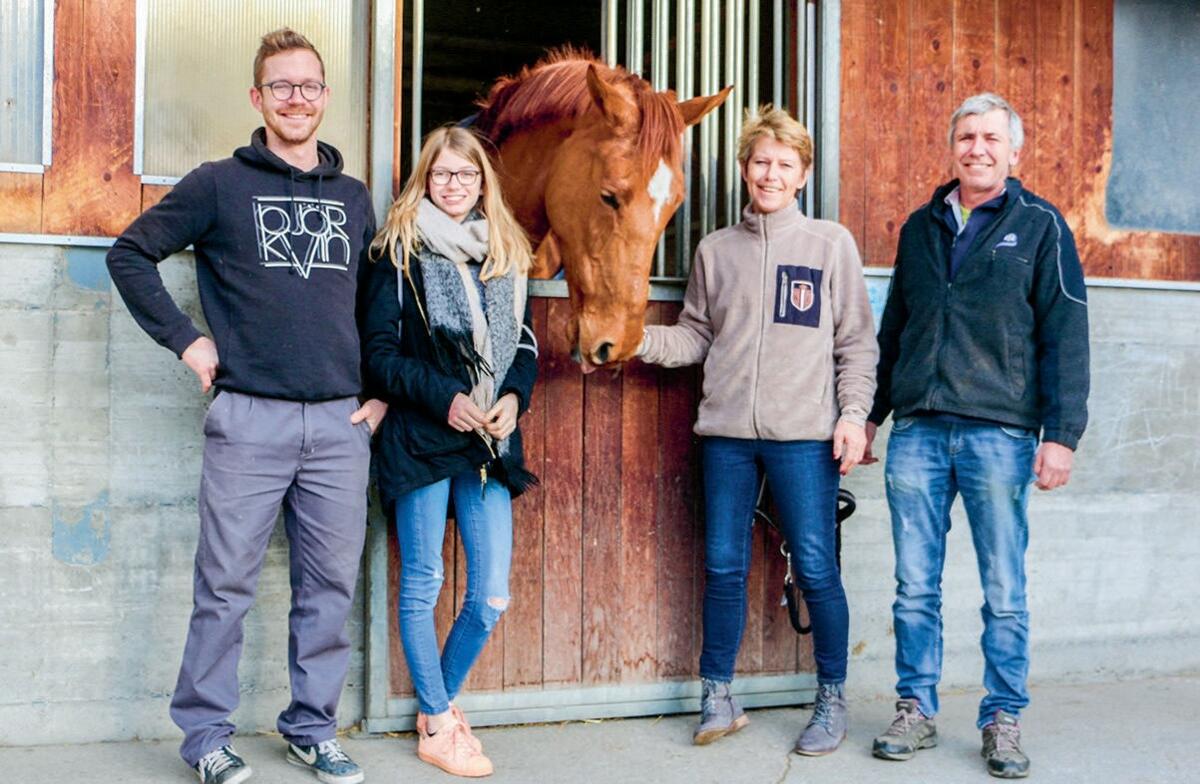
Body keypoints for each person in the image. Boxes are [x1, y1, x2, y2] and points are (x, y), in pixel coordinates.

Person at [106, 28, 380, 784]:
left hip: (336, 424)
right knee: (224, 586)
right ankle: (204, 739)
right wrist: (189, 343)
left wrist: (380, 391)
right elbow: (129, 254)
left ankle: (311, 728)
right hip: (249, 418)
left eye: (310, 86)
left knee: (328, 586)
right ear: (258, 99)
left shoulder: (355, 199)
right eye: (282, 86)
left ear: (326, 99)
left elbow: (379, 303)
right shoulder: (218, 183)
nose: (298, 98)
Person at [637, 106, 878, 756]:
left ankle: (832, 697)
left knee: (817, 567)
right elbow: (695, 335)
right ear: (744, 169)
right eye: (759, 161)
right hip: (727, 439)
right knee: (722, 566)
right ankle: (717, 693)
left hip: (805, 437)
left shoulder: (831, 245)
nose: (770, 173)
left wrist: (853, 416)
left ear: (802, 173)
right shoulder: (716, 251)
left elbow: (856, 343)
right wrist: (635, 339)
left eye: (784, 163)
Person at [865, 93, 1089, 779]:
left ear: (1014, 150)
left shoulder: (1042, 225)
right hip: (920, 432)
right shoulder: (919, 227)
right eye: (967, 137)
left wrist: (1062, 434)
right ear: (952, 146)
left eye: (991, 138)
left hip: (1001, 434)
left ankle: (1002, 719)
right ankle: (916, 709)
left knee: (1004, 586)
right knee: (913, 586)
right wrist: (870, 414)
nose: (977, 149)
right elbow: (894, 327)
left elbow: (1065, 334)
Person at [363, 126, 537, 778]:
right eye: (442, 175)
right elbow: (378, 356)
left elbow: (524, 344)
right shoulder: (397, 252)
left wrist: (513, 398)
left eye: (467, 175)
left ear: (483, 183)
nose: (455, 186)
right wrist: (445, 397)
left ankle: (440, 701)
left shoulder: (503, 251)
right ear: (424, 181)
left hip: (490, 437)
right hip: (424, 433)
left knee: (490, 594)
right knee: (425, 584)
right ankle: (438, 724)